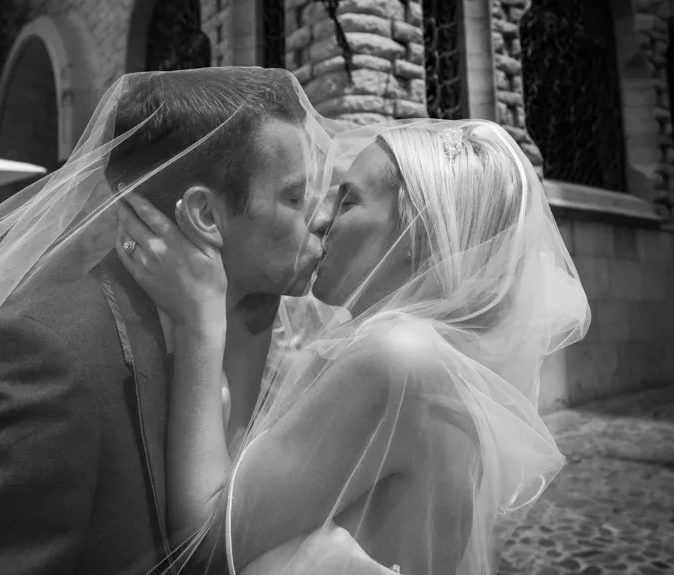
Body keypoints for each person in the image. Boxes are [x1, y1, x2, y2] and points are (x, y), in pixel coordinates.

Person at [0, 67, 392, 575]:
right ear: (203, 215)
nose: (319, 217)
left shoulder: (243, 329)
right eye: (294, 197)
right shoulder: (46, 355)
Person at [118, 119, 591, 573]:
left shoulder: (394, 356)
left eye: (348, 201)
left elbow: (205, 548)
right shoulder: (427, 351)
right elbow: (245, 491)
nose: (320, 218)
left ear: (416, 231)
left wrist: (200, 319)